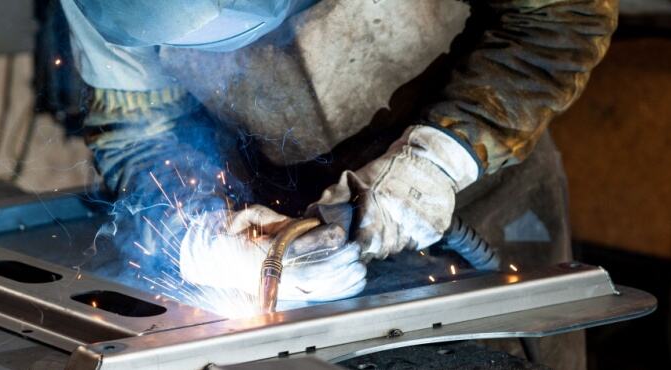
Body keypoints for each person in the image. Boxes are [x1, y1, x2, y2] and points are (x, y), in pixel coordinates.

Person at [62, 1, 616, 367]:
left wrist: (438, 163)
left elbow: (561, 17)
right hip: (279, 218)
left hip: (485, 189)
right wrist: (207, 239)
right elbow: (138, 131)